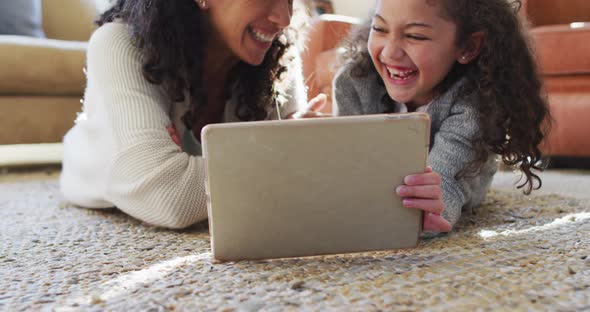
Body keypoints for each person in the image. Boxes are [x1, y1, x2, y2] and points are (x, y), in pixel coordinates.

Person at [60, 0, 331, 228]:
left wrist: (289, 151)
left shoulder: (277, 51)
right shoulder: (119, 42)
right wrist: (285, 149)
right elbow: (169, 197)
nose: (283, 18)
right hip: (102, 189)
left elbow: (299, 181)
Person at [333, 0, 550, 233]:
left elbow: (446, 184)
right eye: (380, 29)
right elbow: (345, 168)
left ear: (467, 47)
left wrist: (431, 212)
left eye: (415, 36)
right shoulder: (353, 82)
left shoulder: (477, 105)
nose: (390, 52)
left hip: (456, 183)